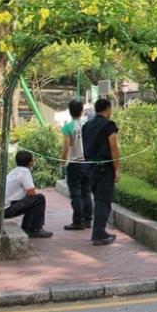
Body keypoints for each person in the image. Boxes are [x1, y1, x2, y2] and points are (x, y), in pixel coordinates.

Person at [82, 98, 120, 246]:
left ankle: (99, 232)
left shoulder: (87, 125)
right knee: (103, 201)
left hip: (89, 166)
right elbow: (113, 147)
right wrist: (117, 169)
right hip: (104, 167)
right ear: (107, 108)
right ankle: (99, 234)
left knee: (97, 199)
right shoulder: (108, 125)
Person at [3, 151, 53, 239]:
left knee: (30, 200)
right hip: (9, 209)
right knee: (39, 199)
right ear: (30, 162)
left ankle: (27, 228)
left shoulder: (14, 171)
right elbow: (31, 192)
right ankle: (36, 229)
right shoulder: (25, 171)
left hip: (4, 208)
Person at [61, 99, 92, 231]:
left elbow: (66, 147)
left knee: (76, 194)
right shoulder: (88, 125)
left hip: (75, 164)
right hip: (88, 163)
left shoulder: (68, 127)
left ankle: (77, 221)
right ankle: (88, 220)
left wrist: (63, 162)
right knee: (86, 192)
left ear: (70, 111)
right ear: (82, 110)